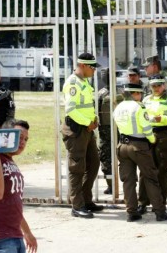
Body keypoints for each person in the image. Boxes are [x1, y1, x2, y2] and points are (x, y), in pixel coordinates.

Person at [0, 120, 37, 252]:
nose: (23, 142)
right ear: (6, 136)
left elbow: (13, 204)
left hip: (15, 235)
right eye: (19, 137)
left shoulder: (9, 160)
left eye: (26, 139)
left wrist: (27, 232)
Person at [113, 83, 167, 222]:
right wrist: (152, 139)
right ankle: (159, 211)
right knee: (150, 177)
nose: (141, 96)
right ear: (135, 94)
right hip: (139, 146)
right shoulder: (139, 107)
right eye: (139, 94)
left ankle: (131, 212)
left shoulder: (118, 107)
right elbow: (146, 128)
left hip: (122, 146)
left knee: (128, 180)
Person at [61, 52, 103, 219]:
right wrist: (88, 123)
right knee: (77, 168)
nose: (94, 71)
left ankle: (85, 199)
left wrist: (93, 120)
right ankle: (77, 205)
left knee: (93, 164)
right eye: (92, 67)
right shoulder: (73, 83)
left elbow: (85, 106)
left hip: (86, 129)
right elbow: (71, 110)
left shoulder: (84, 81)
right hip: (77, 130)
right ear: (83, 66)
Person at [137, 75, 167, 214]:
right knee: (145, 170)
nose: (156, 88)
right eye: (153, 85)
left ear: (164, 85)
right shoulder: (146, 100)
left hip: (165, 136)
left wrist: (162, 119)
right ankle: (142, 203)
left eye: (158, 85)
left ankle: (160, 204)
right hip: (148, 135)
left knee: (162, 170)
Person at [97, 68, 123, 195]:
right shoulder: (101, 93)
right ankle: (111, 185)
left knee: (124, 158)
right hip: (106, 131)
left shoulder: (121, 92)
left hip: (121, 129)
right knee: (106, 158)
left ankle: (128, 183)